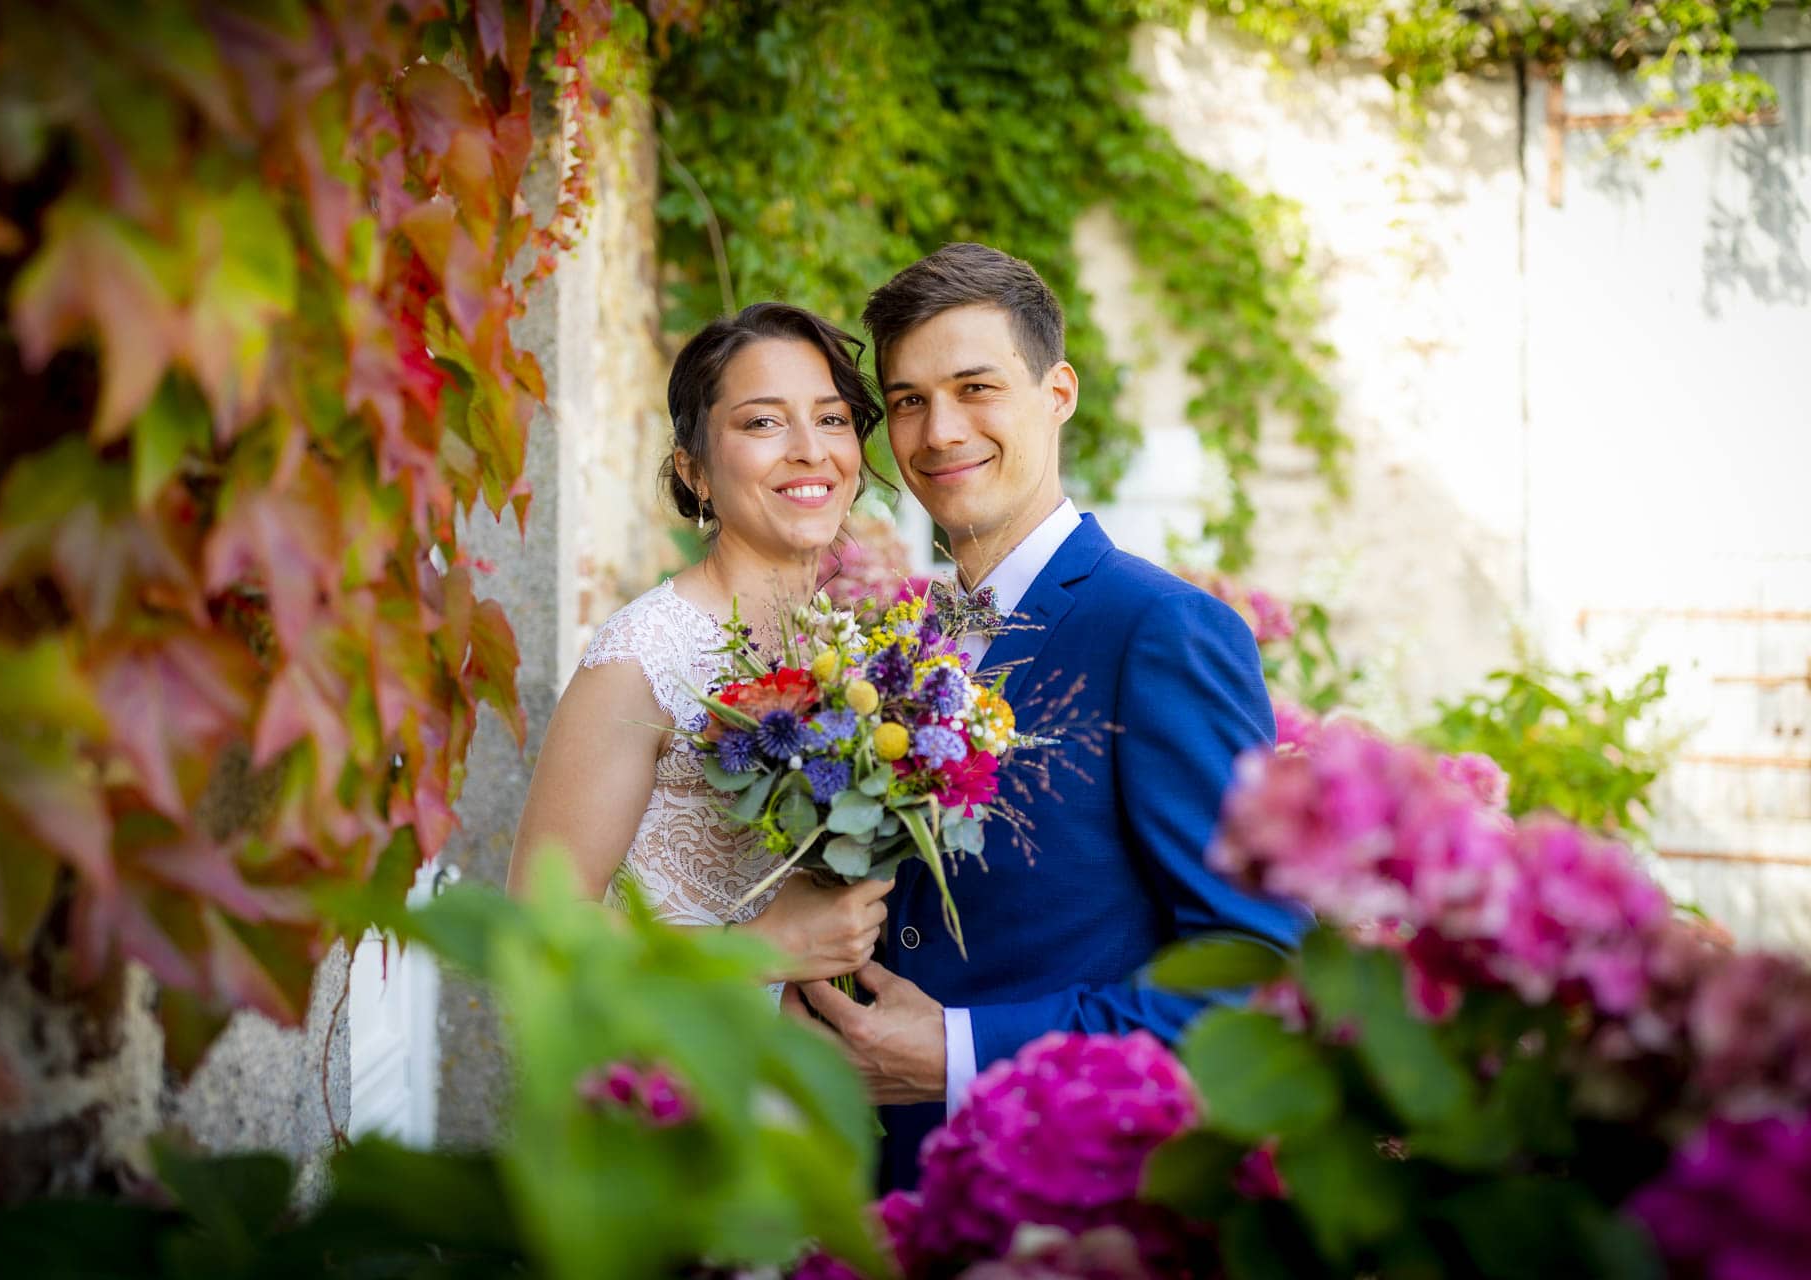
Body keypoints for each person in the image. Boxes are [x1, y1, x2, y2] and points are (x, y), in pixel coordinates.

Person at [779, 244, 1310, 1191]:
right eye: (907, 400)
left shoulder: (1160, 630)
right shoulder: (901, 644)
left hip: (1066, 1201)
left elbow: (1254, 973)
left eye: (976, 387)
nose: (940, 430)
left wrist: (958, 1051)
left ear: (1058, 391)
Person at [507, 303, 894, 988]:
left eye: (832, 418)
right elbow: (540, 928)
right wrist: (755, 950)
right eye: (763, 422)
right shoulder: (643, 657)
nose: (811, 448)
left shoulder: (843, 648)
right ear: (696, 472)